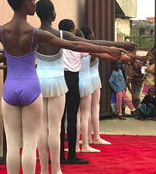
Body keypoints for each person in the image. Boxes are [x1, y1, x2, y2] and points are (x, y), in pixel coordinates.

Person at [0, 0, 126, 173]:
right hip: (32, 87)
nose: (35, 5)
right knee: (29, 143)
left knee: (13, 144)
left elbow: (7, 54)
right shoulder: (36, 34)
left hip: (10, 88)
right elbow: (74, 46)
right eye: (33, 0)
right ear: (26, 3)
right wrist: (106, 48)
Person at [58, 19, 135, 164]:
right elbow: (101, 52)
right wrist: (124, 55)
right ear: (73, 32)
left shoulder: (57, 44)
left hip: (62, 80)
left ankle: (64, 152)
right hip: (79, 80)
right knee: (81, 114)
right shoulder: (79, 46)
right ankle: (83, 145)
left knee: (63, 119)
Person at [80, 25, 111, 146]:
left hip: (85, 78)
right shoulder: (91, 48)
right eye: (92, 33)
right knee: (93, 109)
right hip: (93, 78)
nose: (94, 34)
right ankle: (96, 136)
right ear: (88, 36)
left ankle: (87, 137)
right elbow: (102, 55)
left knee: (85, 111)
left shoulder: (81, 48)